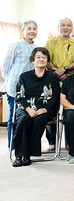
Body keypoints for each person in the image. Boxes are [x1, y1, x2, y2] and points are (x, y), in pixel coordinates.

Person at [11, 47, 60, 167]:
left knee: (39, 120)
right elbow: (20, 96)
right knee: (23, 120)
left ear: (47, 60)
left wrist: (45, 109)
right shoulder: (24, 76)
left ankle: (27, 155)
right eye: (38, 57)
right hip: (26, 108)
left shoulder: (52, 77)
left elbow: (55, 97)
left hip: (45, 109)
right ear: (33, 59)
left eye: (44, 57)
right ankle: (18, 155)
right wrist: (28, 109)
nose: (41, 59)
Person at [45, 18, 74, 151]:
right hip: (53, 79)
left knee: (69, 110)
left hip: (70, 79)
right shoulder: (50, 42)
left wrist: (64, 69)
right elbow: (46, 59)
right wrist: (57, 72)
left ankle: (69, 141)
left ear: (72, 28)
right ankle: (52, 141)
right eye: (63, 25)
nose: (65, 27)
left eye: (68, 25)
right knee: (51, 110)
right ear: (58, 27)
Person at [2, 20, 38, 149]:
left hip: (29, 89)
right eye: (29, 28)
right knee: (13, 116)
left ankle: (24, 144)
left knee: (27, 116)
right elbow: (5, 67)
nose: (32, 31)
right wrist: (10, 82)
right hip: (13, 87)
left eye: (34, 28)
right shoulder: (15, 45)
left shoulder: (37, 49)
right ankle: (12, 145)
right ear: (23, 31)